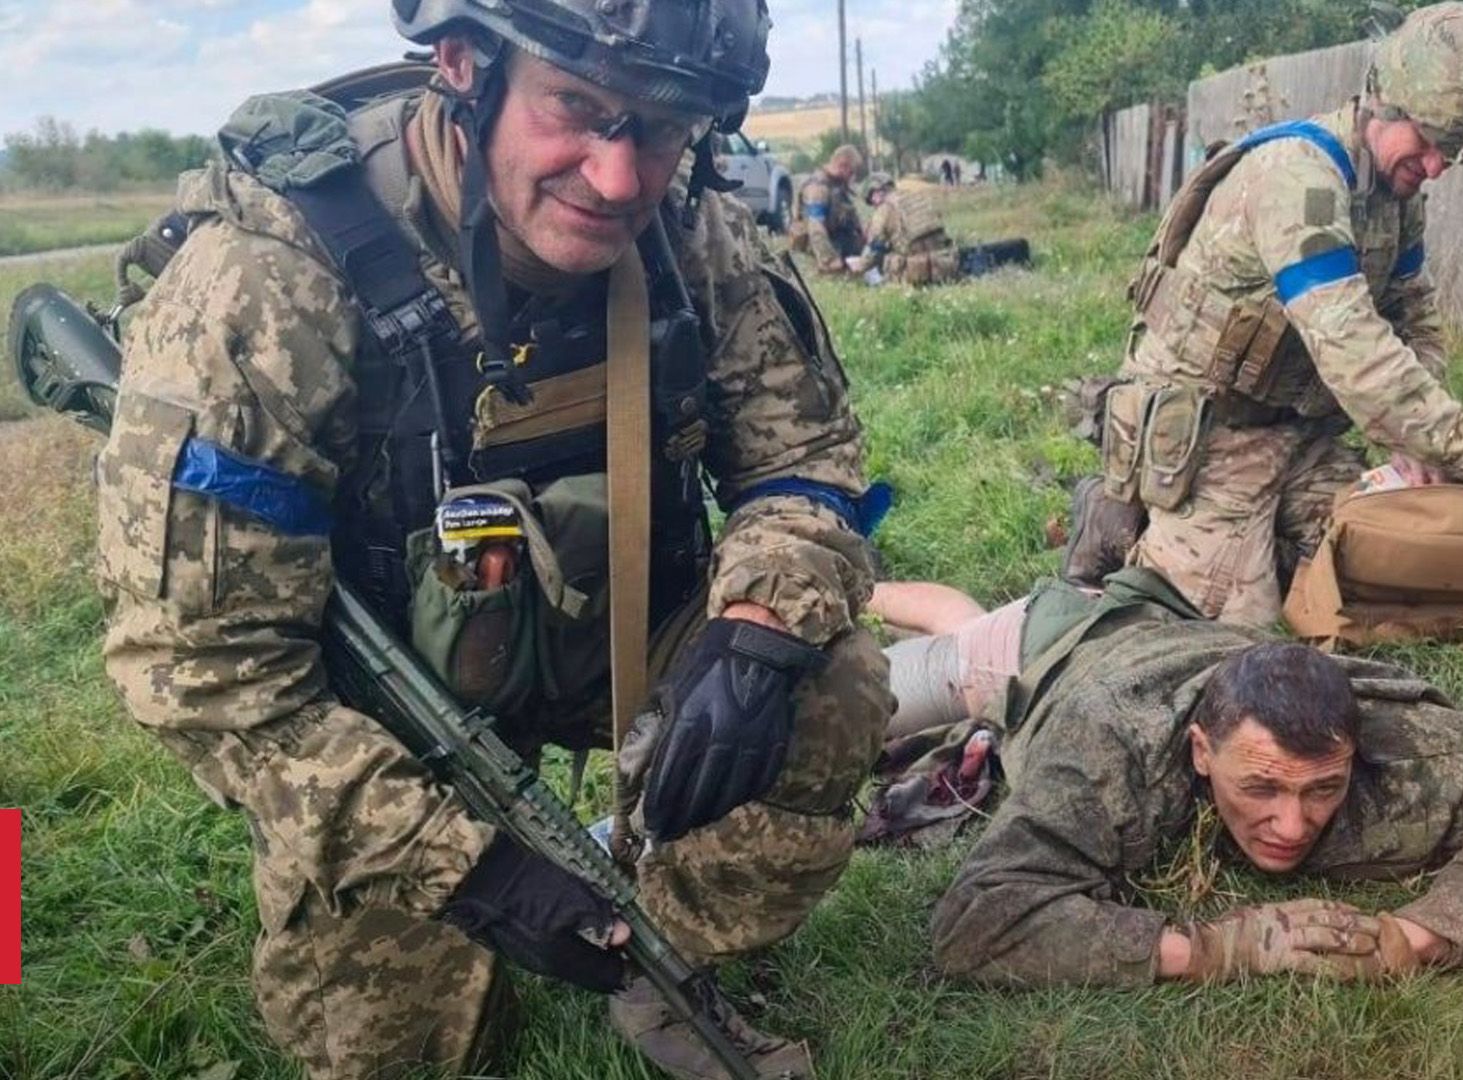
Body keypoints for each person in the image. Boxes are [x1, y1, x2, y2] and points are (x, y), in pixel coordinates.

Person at [92, 1, 891, 1076]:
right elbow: (204, 670)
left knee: (828, 679)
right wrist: (465, 868)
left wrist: (756, 630)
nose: (616, 179)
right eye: (578, 110)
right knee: (404, 1050)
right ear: (466, 68)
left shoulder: (692, 231)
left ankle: (664, 964)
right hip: (386, 717)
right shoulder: (270, 282)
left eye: (659, 130)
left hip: (614, 640)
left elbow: (810, 462)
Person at [865, 570, 1463, 985]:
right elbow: (974, 921)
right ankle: (864, 584)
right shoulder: (1107, 748)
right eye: (1262, 788)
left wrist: (1414, 936)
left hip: (1172, 626)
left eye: (1322, 789)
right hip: (1047, 645)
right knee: (867, 690)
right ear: (1200, 751)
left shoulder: (1391, 735)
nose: (1292, 826)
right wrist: (1215, 949)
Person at [1075, 3, 1463, 626]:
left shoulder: (1394, 197)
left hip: (1300, 437)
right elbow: (1351, 346)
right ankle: (1116, 521)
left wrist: (1416, 442)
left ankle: (1238, 538)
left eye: (1453, 156)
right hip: (1211, 436)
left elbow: (1415, 320)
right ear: (1389, 101)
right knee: (1227, 627)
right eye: (1432, 143)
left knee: (1378, 567)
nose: (1436, 167)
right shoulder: (1301, 180)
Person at [851, 173, 961, 286]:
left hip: (914, 274)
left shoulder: (884, 210)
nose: (874, 204)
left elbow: (875, 249)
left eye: (871, 199)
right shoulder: (920, 199)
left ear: (876, 192)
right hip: (944, 269)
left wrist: (859, 266)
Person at [789, 143, 867, 276]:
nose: (852, 177)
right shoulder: (817, 188)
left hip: (839, 242)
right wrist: (830, 261)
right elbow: (816, 228)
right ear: (843, 165)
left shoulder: (837, 185)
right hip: (822, 248)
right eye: (851, 172)